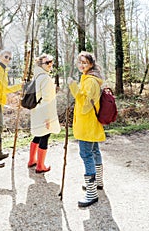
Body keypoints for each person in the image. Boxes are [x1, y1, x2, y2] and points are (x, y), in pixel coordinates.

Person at [68, 51, 106, 207]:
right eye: (80, 62)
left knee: (86, 154)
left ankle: (91, 194)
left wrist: (72, 86)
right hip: (91, 123)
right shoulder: (89, 78)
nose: (82, 65)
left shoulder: (90, 81)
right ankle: (98, 182)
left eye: (85, 63)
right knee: (95, 151)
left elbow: (85, 104)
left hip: (87, 124)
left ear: (91, 64)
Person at [27, 54, 61, 173]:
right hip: (44, 113)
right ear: (40, 65)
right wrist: (47, 118)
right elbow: (47, 100)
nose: (50, 64)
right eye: (47, 63)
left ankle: (32, 160)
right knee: (45, 136)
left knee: (38, 134)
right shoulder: (45, 78)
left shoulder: (37, 77)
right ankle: (40, 166)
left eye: (51, 61)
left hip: (36, 111)